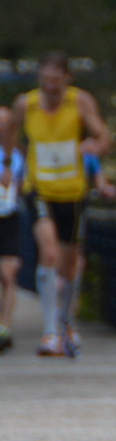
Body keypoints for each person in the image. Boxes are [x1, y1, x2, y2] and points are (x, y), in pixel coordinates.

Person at [3, 52, 112, 358]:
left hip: (73, 192)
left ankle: (67, 322)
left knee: (70, 263)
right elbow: (11, 127)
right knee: (48, 251)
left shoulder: (80, 102)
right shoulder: (27, 104)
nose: (49, 86)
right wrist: (11, 163)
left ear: (67, 79)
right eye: (44, 79)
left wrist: (96, 145)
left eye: (55, 80)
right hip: (40, 189)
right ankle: (50, 332)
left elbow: (104, 136)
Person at [0, 107, 21, 354]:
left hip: (9, 217)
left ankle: (5, 326)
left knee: (8, 273)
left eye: (6, 122)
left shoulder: (17, 156)